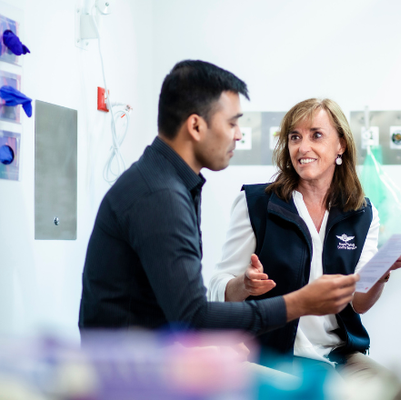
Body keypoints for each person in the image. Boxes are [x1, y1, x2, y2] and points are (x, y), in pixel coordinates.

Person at [78, 61, 360, 339]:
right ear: (196, 126)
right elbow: (194, 317)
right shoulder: (160, 197)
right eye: (232, 123)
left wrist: (204, 352)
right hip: (125, 374)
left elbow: (176, 312)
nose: (238, 134)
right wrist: (300, 303)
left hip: (151, 358)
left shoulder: (164, 182)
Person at [208, 98, 401, 400]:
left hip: (338, 356)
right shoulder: (255, 204)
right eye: (295, 137)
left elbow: (358, 302)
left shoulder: (362, 214)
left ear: (341, 146)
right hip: (270, 355)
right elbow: (217, 289)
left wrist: (383, 272)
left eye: (316, 135)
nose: (302, 147)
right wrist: (243, 284)